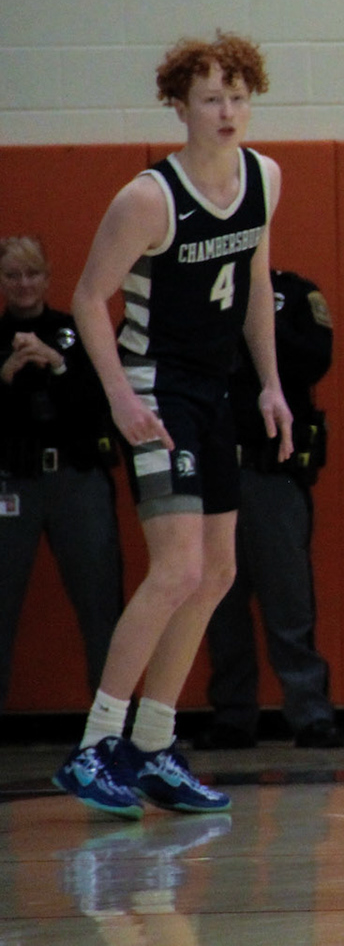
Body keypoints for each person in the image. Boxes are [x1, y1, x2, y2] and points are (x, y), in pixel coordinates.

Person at [56, 32, 292, 819]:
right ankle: (96, 745)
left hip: (215, 389)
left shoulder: (264, 178)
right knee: (177, 569)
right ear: (180, 107)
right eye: (211, 99)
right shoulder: (148, 198)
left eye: (238, 97)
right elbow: (89, 298)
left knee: (217, 571)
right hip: (156, 386)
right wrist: (120, 397)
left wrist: (270, 384)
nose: (227, 112)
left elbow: (254, 278)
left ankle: (153, 746)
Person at [197, 267, 341, 749]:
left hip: (271, 468)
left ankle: (310, 712)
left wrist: (256, 323)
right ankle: (233, 714)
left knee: (289, 597)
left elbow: (316, 359)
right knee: (220, 602)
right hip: (213, 466)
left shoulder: (294, 293)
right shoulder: (199, 283)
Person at [0, 235, 121, 712]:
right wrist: (6, 375)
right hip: (13, 481)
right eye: (12, 275)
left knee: (100, 600)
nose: (23, 284)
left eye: (32, 274)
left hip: (75, 477)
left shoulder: (75, 331)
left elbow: (102, 403)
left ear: (48, 277)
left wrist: (58, 365)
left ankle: (111, 723)